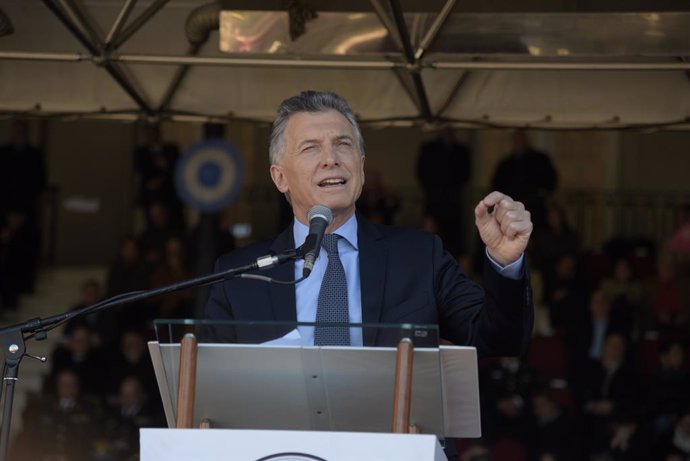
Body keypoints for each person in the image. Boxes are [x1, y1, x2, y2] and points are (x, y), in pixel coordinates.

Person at [204, 90, 533, 357]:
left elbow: (500, 341)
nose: (331, 159)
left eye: (343, 144)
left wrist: (506, 263)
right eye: (310, 148)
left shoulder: (419, 257)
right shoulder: (240, 277)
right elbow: (212, 389)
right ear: (280, 178)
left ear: (360, 168)